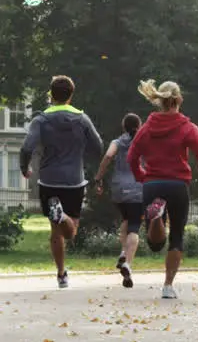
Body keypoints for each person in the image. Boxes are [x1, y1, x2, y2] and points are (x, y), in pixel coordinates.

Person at [127, 80, 198, 300]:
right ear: (179, 99)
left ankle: (156, 217)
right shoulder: (187, 127)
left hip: (152, 184)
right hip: (177, 185)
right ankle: (168, 286)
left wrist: (141, 176)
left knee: (155, 243)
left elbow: (132, 157)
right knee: (176, 236)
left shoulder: (146, 128)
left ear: (159, 100)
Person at [21, 76, 105, 288]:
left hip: (49, 180)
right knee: (70, 230)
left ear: (51, 94)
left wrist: (25, 167)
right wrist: (82, 154)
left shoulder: (40, 120)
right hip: (74, 180)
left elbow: (27, 147)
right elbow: (98, 145)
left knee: (55, 231)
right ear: (71, 95)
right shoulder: (82, 119)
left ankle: (60, 273)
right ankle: (63, 215)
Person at [93, 113, 145, 288]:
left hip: (119, 189)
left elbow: (108, 157)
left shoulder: (117, 142)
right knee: (134, 227)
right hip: (139, 188)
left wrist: (99, 178)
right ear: (140, 125)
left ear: (123, 127)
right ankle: (128, 263)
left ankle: (123, 252)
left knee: (125, 219)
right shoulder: (144, 142)